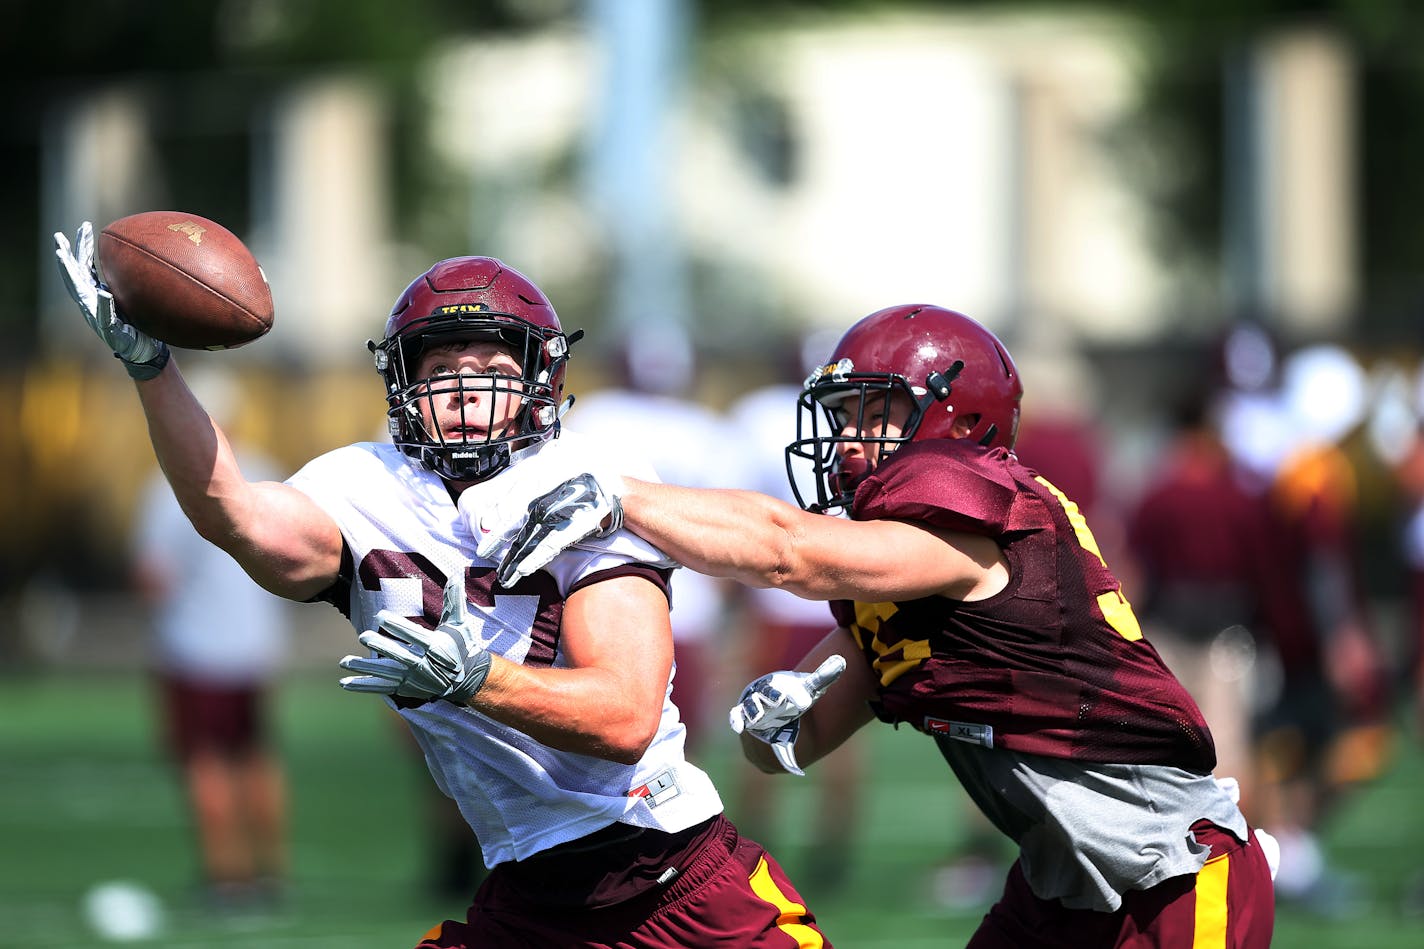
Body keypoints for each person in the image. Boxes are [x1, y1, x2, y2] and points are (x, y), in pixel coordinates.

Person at [54, 225, 831, 949]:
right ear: (401, 382)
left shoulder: (578, 481)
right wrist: (152, 367)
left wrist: (474, 678)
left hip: (668, 876)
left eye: (494, 369)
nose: (468, 390)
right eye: (444, 369)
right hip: (527, 891)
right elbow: (235, 514)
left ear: (540, 381)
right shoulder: (363, 485)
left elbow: (624, 716)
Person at [490, 304, 1279, 947]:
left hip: (1170, 874)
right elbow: (790, 746)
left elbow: (786, 550)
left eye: (875, 413)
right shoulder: (897, 577)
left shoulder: (979, 529)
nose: (846, 442)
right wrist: (773, 716)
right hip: (1058, 888)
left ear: (958, 422)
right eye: (841, 416)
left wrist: (620, 498)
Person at [131, 387, 290, 910]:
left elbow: (154, 580)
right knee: (256, 756)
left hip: (196, 647)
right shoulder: (266, 468)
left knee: (206, 761)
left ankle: (227, 876)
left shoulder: (168, 486)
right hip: (257, 646)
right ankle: (271, 870)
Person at [567, 328, 733, 754]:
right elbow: (726, 525)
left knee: (593, 740)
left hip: (600, 593)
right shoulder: (704, 427)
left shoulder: (596, 416)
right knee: (680, 746)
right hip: (687, 601)